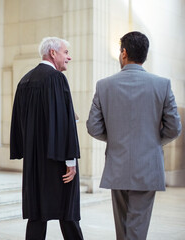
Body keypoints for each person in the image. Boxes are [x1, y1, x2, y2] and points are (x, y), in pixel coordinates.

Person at [86, 31, 182, 240]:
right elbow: (174, 128)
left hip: (117, 164)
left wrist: (115, 138)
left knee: (122, 227)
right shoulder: (162, 84)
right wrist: (155, 141)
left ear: (124, 53)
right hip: (148, 165)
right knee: (137, 226)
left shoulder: (104, 85)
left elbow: (93, 127)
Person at [10, 37, 83, 240]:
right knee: (68, 215)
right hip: (58, 160)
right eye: (66, 52)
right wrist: (71, 161)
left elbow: (19, 121)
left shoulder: (24, 80)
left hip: (34, 161)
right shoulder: (56, 79)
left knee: (37, 215)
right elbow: (63, 122)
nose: (69, 56)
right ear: (53, 53)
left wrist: (25, 150)